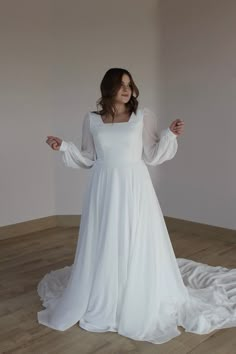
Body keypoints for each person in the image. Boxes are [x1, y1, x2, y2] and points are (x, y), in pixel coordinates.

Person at [38, 68, 236, 344]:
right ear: (108, 88)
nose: (126, 89)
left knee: (135, 237)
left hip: (134, 186)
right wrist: (63, 148)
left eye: (129, 85)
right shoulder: (93, 120)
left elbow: (152, 155)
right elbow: (87, 157)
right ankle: (106, 292)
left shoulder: (142, 117)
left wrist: (169, 134)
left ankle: (136, 292)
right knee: (106, 237)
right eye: (120, 85)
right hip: (103, 186)